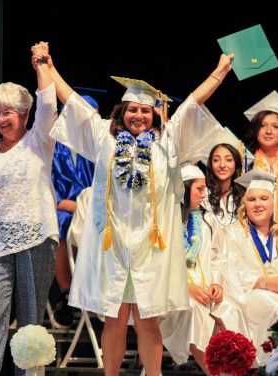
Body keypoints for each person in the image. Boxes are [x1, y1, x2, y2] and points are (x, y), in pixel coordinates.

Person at [40, 44, 234, 376]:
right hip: (112, 249)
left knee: (147, 322)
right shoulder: (105, 138)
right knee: (114, 321)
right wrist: (48, 66)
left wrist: (220, 72)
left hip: (150, 250)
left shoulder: (167, 143)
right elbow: (71, 101)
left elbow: (191, 104)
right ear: (121, 112)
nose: (138, 116)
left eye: (145, 111)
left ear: (155, 115)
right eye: (131, 110)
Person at [0, 43, 58, 376]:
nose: (2, 119)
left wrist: (42, 64)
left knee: (31, 323)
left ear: (24, 115)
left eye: (8, 112)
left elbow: (48, 102)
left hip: (35, 238)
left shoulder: (40, 140)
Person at [216, 169, 278, 370]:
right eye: (251, 199)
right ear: (244, 205)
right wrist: (265, 282)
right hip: (245, 297)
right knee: (277, 307)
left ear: (274, 204)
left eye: (264, 198)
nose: (258, 204)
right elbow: (228, 273)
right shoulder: (231, 235)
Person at [159, 164, 249, 375]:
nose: (204, 194)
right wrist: (187, 288)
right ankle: (214, 372)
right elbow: (158, 265)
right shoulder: (164, 223)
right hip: (171, 294)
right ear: (183, 189)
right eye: (199, 189)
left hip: (207, 289)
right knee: (194, 310)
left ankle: (238, 371)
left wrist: (217, 282)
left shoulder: (207, 221)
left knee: (232, 309)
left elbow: (219, 257)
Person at [50, 94, 98, 329]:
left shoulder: (100, 149)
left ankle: (96, 288)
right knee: (63, 221)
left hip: (97, 209)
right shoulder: (51, 147)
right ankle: (67, 293)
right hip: (60, 207)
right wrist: (70, 204)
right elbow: (44, 186)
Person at [204, 134, 247, 228]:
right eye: (216, 160)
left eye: (228, 160)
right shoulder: (203, 195)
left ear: (236, 163)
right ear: (211, 164)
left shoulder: (243, 197)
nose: (222, 165)